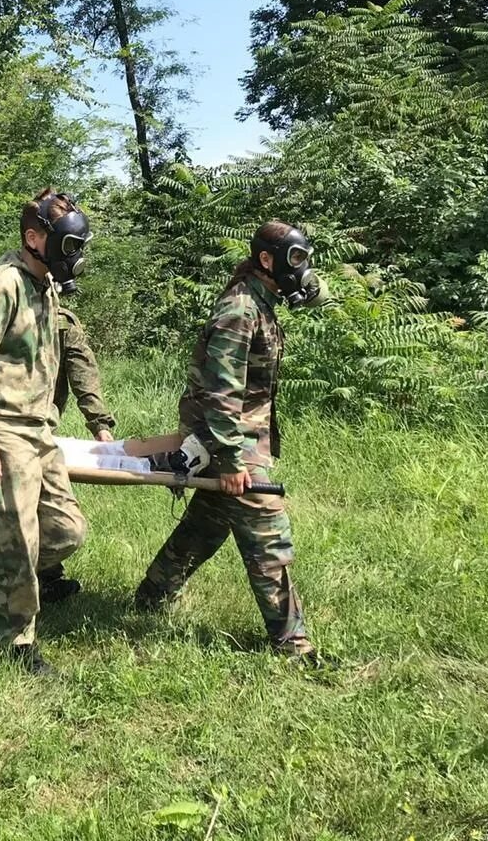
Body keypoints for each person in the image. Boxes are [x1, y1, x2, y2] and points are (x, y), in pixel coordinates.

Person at [133, 221, 325, 661]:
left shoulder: (262, 302)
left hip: (237, 441)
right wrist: (232, 460)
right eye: (294, 259)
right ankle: (293, 643)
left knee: (205, 526)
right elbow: (220, 394)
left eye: (304, 259)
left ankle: (151, 595)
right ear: (265, 260)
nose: (302, 269)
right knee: (269, 538)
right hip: (230, 444)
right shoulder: (240, 310)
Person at [0, 188, 92, 675]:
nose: (76, 255)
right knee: (21, 542)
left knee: (67, 532)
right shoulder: (1, 285)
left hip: (38, 430)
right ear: (34, 238)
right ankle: (16, 646)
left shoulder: (45, 286)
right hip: (2, 429)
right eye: (68, 245)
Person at [38, 304, 117, 603]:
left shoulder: (58, 319)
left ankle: (45, 576)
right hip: (22, 430)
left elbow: (80, 370)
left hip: (21, 426)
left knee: (34, 505)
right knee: (52, 513)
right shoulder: (57, 319)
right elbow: (81, 370)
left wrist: (100, 425)